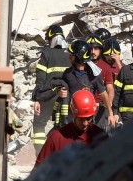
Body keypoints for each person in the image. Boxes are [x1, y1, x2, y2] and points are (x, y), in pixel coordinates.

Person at [35, 89, 107, 167]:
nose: (85, 123)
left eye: (88, 118)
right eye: (81, 119)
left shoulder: (100, 137)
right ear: (73, 114)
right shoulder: (57, 138)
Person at [56, 39, 114, 127]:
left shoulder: (94, 75)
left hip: (88, 117)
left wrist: (110, 113)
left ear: (79, 57)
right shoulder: (67, 74)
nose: (69, 57)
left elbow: (103, 93)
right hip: (72, 116)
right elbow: (60, 88)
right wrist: (59, 92)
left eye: (72, 55)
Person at [31, 24, 69, 154]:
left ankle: (40, 155)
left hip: (48, 95)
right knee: (63, 125)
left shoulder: (46, 53)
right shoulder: (70, 54)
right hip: (66, 96)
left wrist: (37, 98)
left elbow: (40, 80)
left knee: (39, 125)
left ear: (50, 38)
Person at [87, 33, 117, 128]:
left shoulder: (106, 67)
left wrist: (109, 102)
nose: (93, 52)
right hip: (83, 107)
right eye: (90, 48)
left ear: (101, 50)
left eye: (96, 49)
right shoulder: (81, 65)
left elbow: (110, 88)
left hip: (99, 108)